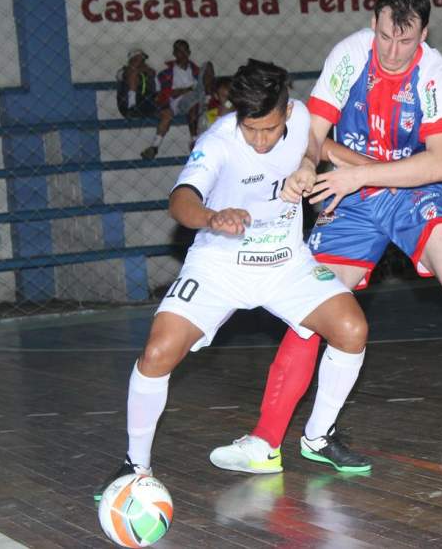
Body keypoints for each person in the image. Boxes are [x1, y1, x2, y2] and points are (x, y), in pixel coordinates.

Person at [209, 0, 442, 475]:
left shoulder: (437, 76)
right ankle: (266, 442)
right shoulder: (348, 57)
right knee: (308, 313)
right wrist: (304, 164)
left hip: (413, 194)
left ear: (423, 34)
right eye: (385, 36)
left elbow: (440, 165)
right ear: (373, 25)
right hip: (353, 197)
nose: (392, 51)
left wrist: (356, 171)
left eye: (405, 41)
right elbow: (313, 134)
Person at [95, 59, 370, 500]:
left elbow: (320, 147)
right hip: (220, 263)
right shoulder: (218, 140)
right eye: (251, 129)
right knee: (158, 351)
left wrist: (346, 172)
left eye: (269, 129)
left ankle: (318, 436)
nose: (260, 141)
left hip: (285, 261)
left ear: (285, 110)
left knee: (352, 329)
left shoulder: (301, 118)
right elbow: (180, 201)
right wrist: (211, 216)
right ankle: (135, 465)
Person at [141, 39, 215, 159]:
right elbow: (165, 94)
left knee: (208, 65)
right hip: (179, 103)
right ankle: (193, 140)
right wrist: (186, 90)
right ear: (174, 53)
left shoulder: (195, 70)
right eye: (179, 51)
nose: (183, 53)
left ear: (189, 52)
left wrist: (196, 91)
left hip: (198, 97)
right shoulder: (166, 73)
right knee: (192, 100)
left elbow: (204, 85)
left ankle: (207, 101)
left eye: (185, 50)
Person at [116, 48, 157, 119]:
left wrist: (143, 69)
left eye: (143, 60)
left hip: (146, 103)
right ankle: (132, 105)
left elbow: (152, 72)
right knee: (133, 75)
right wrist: (137, 69)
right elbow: (129, 73)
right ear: (132, 60)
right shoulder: (123, 71)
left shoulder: (146, 71)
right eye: (139, 60)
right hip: (126, 105)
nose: (143, 62)